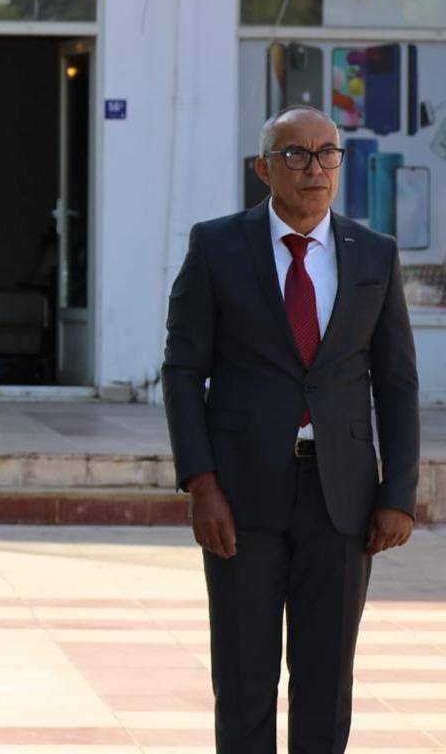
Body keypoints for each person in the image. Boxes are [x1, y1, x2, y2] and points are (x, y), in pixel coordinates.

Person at [163, 103, 419, 754]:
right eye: (296, 155)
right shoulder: (217, 246)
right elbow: (184, 370)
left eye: (327, 153)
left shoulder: (375, 255)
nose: (315, 168)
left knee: (326, 679)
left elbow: (395, 382)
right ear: (263, 170)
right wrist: (200, 481)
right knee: (245, 677)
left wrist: (397, 494)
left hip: (344, 499)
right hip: (241, 495)